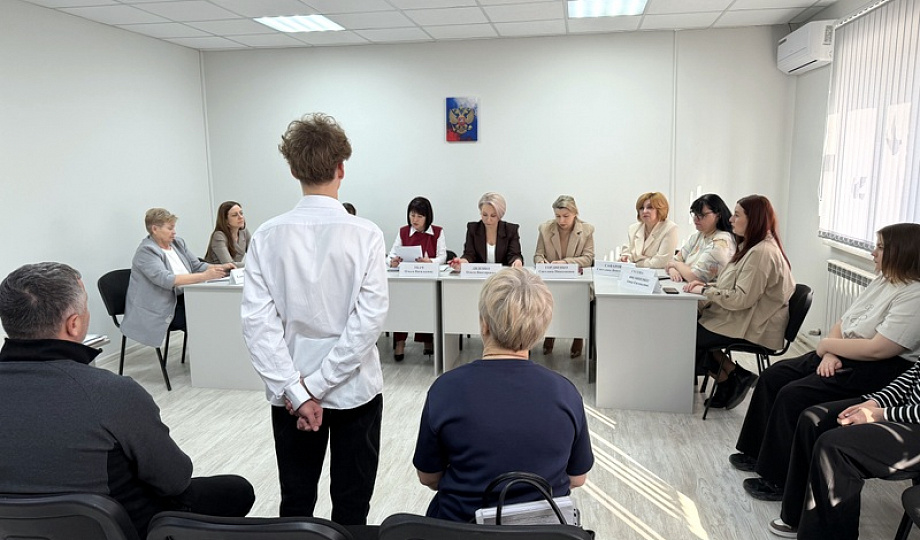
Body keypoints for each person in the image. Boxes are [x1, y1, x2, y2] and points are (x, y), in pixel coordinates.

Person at [0, 262, 254, 538]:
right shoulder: (111, 393)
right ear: (74, 325)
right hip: (124, 528)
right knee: (236, 490)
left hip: (18, 530)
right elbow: (175, 480)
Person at [241, 113, 388, 525]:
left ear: (293, 170)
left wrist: (300, 391)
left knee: (296, 502)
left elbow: (258, 326)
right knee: (352, 507)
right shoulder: (367, 234)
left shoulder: (267, 236)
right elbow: (368, 322)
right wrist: (318, 387)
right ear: (342, 168)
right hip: (354, 389)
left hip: (291, 393)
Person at [730, 222, 920, 503]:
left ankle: (778, 479)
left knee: (793, 395)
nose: (873, 253)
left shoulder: (914, 295)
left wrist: (828, 346)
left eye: (880, 248)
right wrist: (830, 351)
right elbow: (844, 321)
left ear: (902, 253)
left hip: (876, 367)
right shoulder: (884, 279)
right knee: (774, 376)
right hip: (843, 351)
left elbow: (880, 349)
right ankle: (756, 451)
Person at [412, 267, 594, 522]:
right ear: (540, 330)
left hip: (459, 529)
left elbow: (428, 477)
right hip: (542, 532)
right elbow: (577, 478)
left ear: (484, 323)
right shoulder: (566, 394)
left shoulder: (445, 390)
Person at [769, 361, 920, 539]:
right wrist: (875, 402)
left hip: (913, 422)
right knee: (814, 420)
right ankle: (798, 518)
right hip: (906, 411)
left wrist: (881, 414)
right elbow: (914, 374)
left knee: (835, 447)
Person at [684, 195, 795, 410]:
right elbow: (734, 287)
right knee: (689, 330)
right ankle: (733, 377)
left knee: (687, 337)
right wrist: (708, 287)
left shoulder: (761, 253)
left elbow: (740, 299)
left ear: (754, 219)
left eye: (737, 215)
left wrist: (706, 290)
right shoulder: (751, 247)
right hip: (746, 316)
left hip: (756, 325)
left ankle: (731, 378)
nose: (731, 219)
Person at [122, 208, 234, 353]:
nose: (174, 232)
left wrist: (220, 267)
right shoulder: (146, 251)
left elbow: (197, 266)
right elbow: (166, 279)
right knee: (201, 322)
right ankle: (209, 357)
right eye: (170, 228)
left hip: (186, 297)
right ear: (155, 229)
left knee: (216, 313)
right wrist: (205, 276)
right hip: (163, 306)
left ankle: (220, 354)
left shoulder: (178, 243)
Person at [533, 195, 595, 358]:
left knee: (578, 299)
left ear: (575, 213)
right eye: (557, 216)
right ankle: (550, 335)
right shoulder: (545, 229)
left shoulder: (587, 230)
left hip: (576, 280)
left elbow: (588, 258)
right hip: (552, 279)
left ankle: (578, 337)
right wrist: (541, 262)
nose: (561, 220)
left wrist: (565, 263)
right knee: (546, 300)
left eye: (566, 216)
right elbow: (538, 254)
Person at [388, 196, 446, 361]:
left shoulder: (437, 232)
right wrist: (393, 261)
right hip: (406, 279)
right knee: (401, 305)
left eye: (420, 216)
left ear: (427, 217)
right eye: (412, 215)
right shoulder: (403, 231)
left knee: (428, 302)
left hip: (427, 280)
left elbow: (443, 256)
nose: (415, 220)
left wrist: (430, 262)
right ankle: (400, 342)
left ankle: (427, 340)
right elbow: (392, 253)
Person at [665, 193, 736, 283]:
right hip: (687, 287)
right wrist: (672, 269)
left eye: (702, 215)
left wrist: (676, 265)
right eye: (695, 214)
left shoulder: (722, 241)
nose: (696, 219)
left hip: (707, 291)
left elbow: (695, 277)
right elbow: (673, 260)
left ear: (718, 215)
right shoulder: (698, 236)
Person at [449, 192, 523, 269]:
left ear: (500, 215)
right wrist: (463, 262)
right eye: (484, 215)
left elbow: (514, 255)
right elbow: (469, 254)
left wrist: (517, 261)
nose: (488, 220)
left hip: (502, 274)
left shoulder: (510, 230)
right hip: (478, 273)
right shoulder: (473, 229)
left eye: (493, 216)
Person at [619, 191, 679, 268]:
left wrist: (635, 263)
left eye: (649, 207)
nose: (644, 211)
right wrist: (624, 258)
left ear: (660, 209)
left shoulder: (670, 228)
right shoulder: (633, 228)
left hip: (658, 273)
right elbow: (626, 253)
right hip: (634, 273)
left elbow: (661, 262)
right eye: (641, 208)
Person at [204, 200, 251, 268]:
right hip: (218, 273)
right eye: (235, 215)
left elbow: (255, 254)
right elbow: (229, 264)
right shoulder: (218, 236)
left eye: (241, 213)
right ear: (225, 220)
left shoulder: (244, 232)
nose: (240, 217)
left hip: (235, 272)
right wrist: (253, 265)